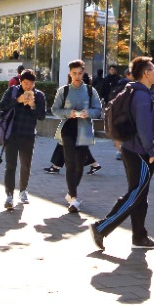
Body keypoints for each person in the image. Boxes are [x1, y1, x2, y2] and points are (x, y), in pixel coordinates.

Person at [88, 56, 154, 250]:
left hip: (130, 148)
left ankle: (139, 237)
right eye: (153, 69)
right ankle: (101, 227)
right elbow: (144, 129)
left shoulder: (133, 91)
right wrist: (150, 151)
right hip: (139, 151)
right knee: (135, 194)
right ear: (146, 73)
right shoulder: (142, 96)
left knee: (139, 194)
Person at [51, 60, 104, 212]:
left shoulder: (90, 91)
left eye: (80, 73)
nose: (77, 76)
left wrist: (89, 113)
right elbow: (55, 109)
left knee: (80, 166)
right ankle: (74, 198)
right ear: (70, 73)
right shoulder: (63, 91)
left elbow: (98, 110)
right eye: (74, 73)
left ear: (83, 73)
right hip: (67, 129)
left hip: (84, 130)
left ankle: (70, 193)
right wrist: (69, 113)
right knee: (70, 163)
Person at [0, 69, 46, 210]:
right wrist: (17, 101)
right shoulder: (13, 91)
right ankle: (9, 195)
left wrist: (33, 106)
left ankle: (23, 190)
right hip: (12, 134)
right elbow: (2, 106)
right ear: (20, 82)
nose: (28, 86)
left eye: (31, 83)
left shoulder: (39, 95)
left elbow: (42, 116)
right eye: (25, 83)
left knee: (26, 165)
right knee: (10, 165)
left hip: (28, 135)